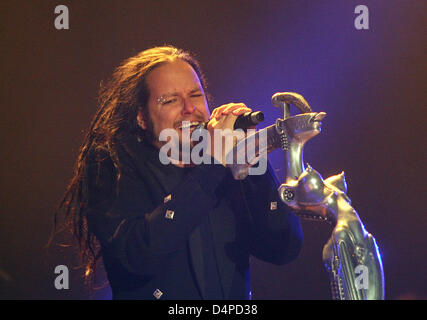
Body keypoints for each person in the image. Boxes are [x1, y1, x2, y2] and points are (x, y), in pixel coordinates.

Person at [54, 46, 303, 300]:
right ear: (141, 117)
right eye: (170, 100)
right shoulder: (111, 163)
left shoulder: (226, 166)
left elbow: (284, 248)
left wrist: (254, 162)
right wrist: (213, 166)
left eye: (195, 95)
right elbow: (137, 256)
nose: (189, 109)